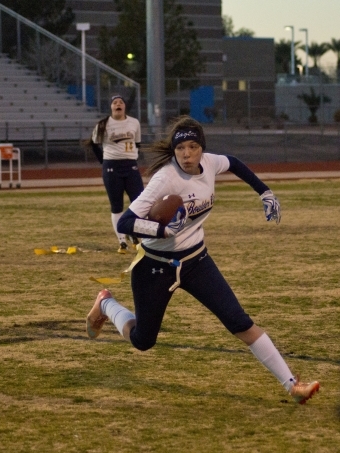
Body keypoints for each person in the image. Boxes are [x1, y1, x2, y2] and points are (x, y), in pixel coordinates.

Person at [85, 115, 320, 404]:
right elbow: (125, 223)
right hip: (155, 266)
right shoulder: (165, 178)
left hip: (196, 261)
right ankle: (106, 303)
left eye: (193, 147)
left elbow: (233, 161)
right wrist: (162, 229)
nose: (187, 154)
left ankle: (293, 386)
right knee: (143, 341)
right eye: (181, 148)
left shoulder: (209, 163)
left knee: (239, 322)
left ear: (201, 149)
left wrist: (264, 192)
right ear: (174, 151)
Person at [87, 94, 144, 254]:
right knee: (116, 205)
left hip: (131, 165)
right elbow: (94, 144)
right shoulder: (103, 124)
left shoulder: (134, 123)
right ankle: (122, 242)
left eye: (121, 102)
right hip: (112, 167)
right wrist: (104, 162)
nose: (118, 104)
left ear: (125, 106)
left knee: (139, 202)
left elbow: (137, 143)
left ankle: (134, 232)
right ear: (111, 107)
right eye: (114, 102)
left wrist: (132, 157)